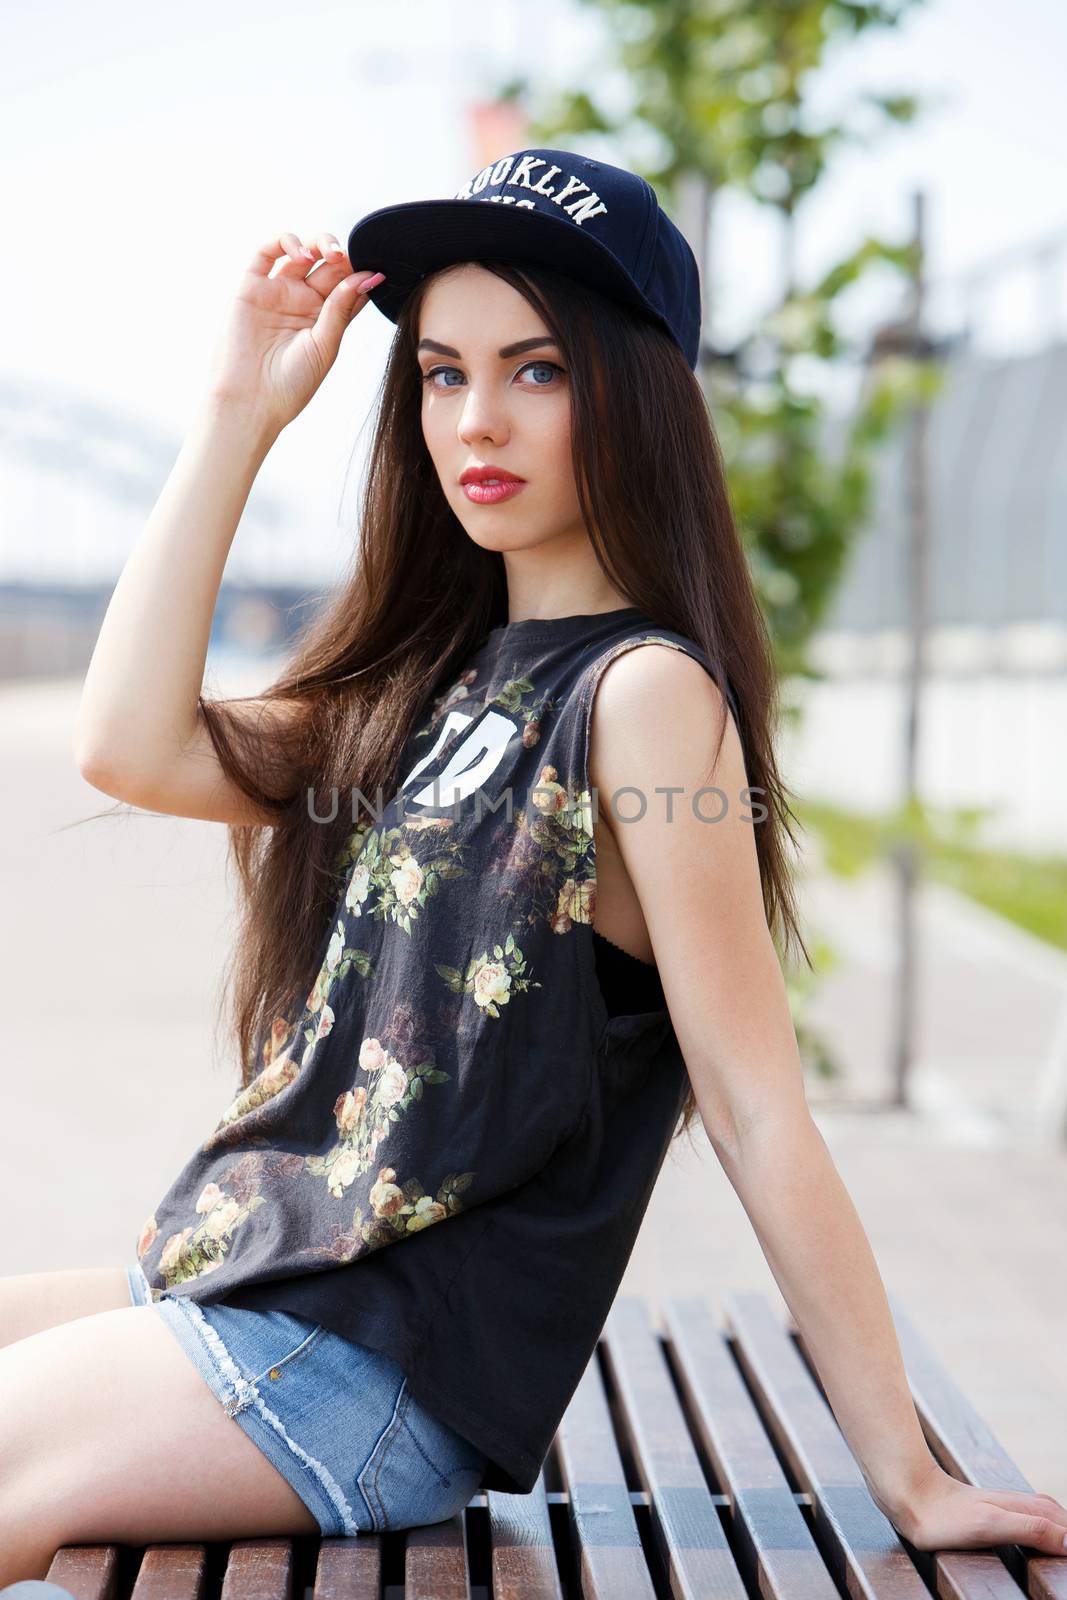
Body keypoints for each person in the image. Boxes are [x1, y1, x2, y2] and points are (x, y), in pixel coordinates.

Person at [1, 147, 1065, 1581]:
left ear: (633, 392)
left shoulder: (640, 698)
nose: (476, 420)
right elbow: (128, 745)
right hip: (258, 1282)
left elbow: (755, 1103)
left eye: (537, 370)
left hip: (365, 1362)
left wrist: (909, 1474)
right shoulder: (437, 687)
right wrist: (237, 419)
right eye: (441, 372)